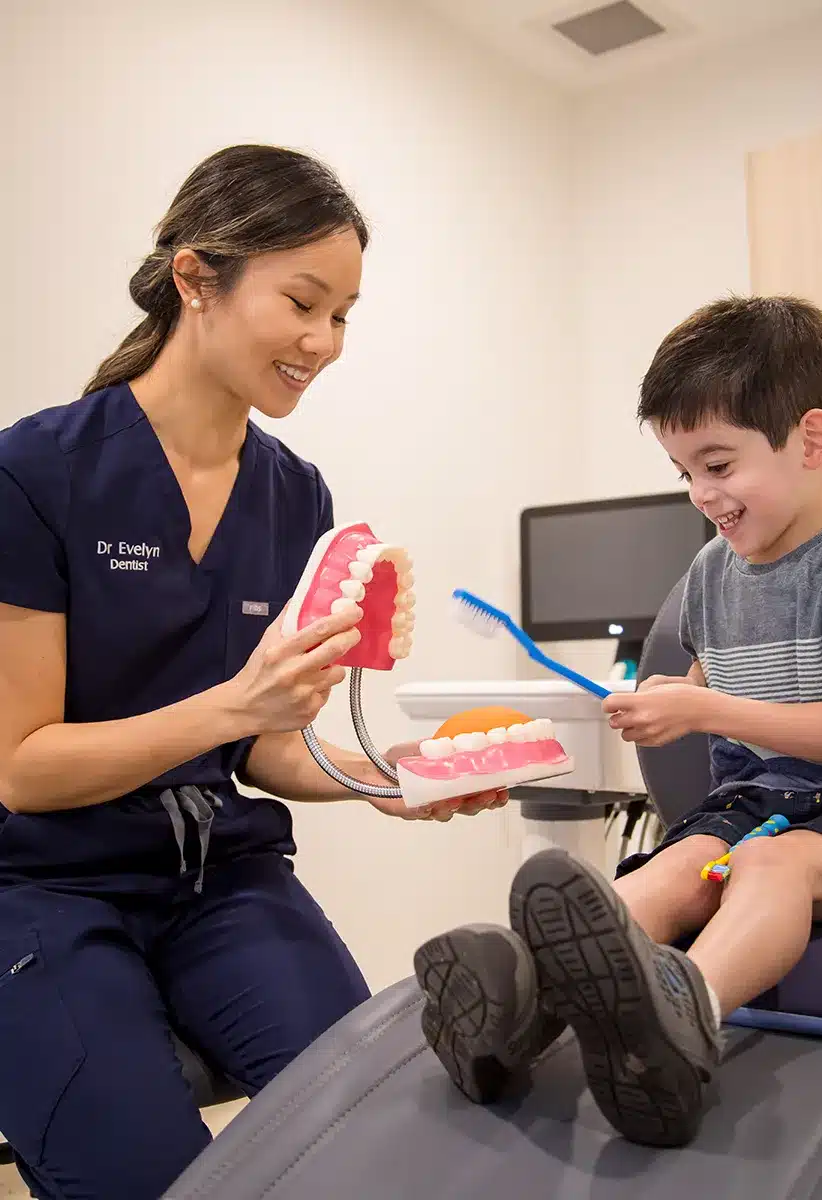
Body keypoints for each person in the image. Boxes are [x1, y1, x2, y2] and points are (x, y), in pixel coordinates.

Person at [0, 143, 505, 1200]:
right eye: (302, 303)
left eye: (344, 316)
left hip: (219, 878)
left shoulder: (295, 498)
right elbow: (24, 769)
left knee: (376, 1143)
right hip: (43, 883)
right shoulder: (35, 473)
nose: (323, 343)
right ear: (197, 280)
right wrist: (235, 702)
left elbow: (266, 749)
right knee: (151, 1178)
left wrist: (388, 776)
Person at [415, 295, 822, 1148]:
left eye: (719, 464)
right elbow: (711, 686)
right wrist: (660, 704)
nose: (704, 495)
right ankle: (517, 1008)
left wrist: (700, 705)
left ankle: (680, 1025)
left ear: (811, 441)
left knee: (769, 865)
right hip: (748, 807)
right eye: (685, 473)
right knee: (676, 869)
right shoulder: (712, 573)